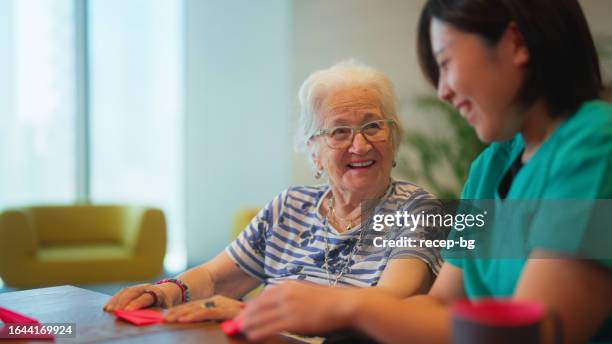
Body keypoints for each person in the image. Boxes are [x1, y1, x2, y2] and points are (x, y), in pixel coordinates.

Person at [237, 1, 612, 343]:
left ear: (515, 43)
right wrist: (279, 319)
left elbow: (538, 334)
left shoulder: (596, 144)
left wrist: (347, 306)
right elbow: (441, 305)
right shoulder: (489, 168)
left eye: (445, 63)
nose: (443, 92)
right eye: (339, 132)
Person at [103, 60, 443, 322]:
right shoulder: (289, 207)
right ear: (314, 152)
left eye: (373, 126)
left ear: (394, 138)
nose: (360, 144)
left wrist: (253, 312)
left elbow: (391, 303)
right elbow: (216, 278)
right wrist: (163, 291)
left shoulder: (417, 211)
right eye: (340, 132)